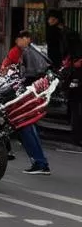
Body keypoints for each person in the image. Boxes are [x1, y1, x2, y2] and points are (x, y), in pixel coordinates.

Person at [0, 30, 51, 175]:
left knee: (26, 128)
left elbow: (29, 74)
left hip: (26, 96)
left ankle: (40, 163)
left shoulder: (28, 52)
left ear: (26, 39)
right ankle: (39, 162)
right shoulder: (30, 51)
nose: (18, 41)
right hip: (29, 95)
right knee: (28, 129)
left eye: (20, 38)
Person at [46, 9, 82, 147]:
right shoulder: (59, 34)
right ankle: (75, 133)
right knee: (73, 104)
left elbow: (67, 54)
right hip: (68, 72)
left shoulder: (67, 34)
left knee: (75, 104)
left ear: (56, 19)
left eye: (51, 18)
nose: (49, 21)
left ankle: (76, 135)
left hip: (73, 75)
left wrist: (68, 64)